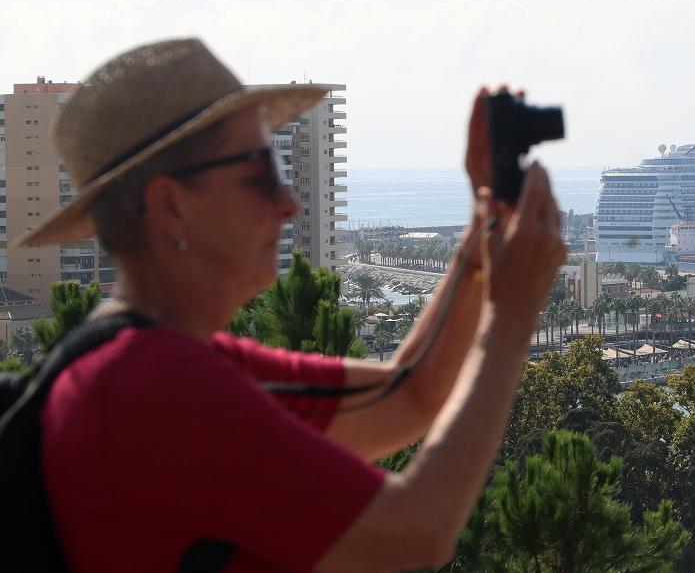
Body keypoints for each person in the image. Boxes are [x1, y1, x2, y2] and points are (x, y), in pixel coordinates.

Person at [22, 38, 566, 572]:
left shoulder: (158, 365)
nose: (290, 204)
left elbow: (407, 395)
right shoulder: (147, 385)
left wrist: (483, 227)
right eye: (262, 173)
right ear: (170, 205)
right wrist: (512, 315)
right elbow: (413, 534)